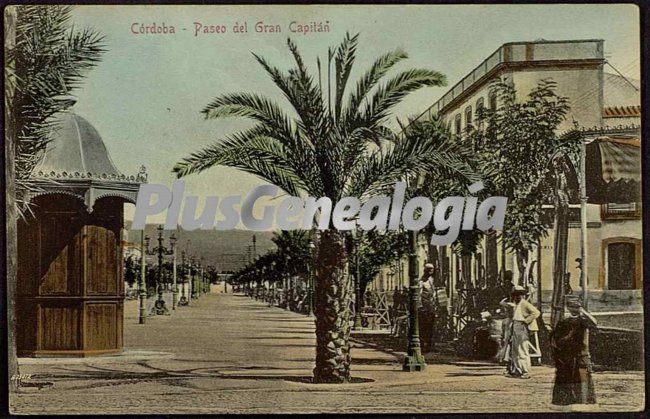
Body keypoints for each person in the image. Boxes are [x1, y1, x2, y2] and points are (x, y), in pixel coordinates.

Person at [551, 296, 598, 407]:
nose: (574, 309)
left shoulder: (583, 321)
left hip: (581, 352)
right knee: (566, 376)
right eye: (572, 306)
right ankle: (565, 399)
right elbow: (556, 338)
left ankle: (583, 398)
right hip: (567, 354)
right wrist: (567, 338)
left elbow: (594, 323)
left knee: (582, 375)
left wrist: (584, 312)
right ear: (568, 308)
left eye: (577, 306)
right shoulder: (564, 321)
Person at [503, 285, 540, 379]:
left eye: (519, 295)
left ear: (522, 295)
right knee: (515, 350)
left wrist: (526, 321)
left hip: (521, 326)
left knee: (522, 349)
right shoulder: (516, 304)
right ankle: (517, 370)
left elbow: (536, 312)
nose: (517, 297)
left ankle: (525, 371)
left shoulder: (524, 303)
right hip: (515, 326)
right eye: (515, 295)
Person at [418, 263, 436, 353]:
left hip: (431, 307)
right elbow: (419, 295)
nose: (431, 271)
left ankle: (429, 346)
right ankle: (422, 346)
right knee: (423, 327)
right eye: (429, 269)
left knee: (430, 327)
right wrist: (420, 306)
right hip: (424, 308)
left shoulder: (431, 280)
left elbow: (433, 293)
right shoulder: (421, 281)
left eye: (432, 269)